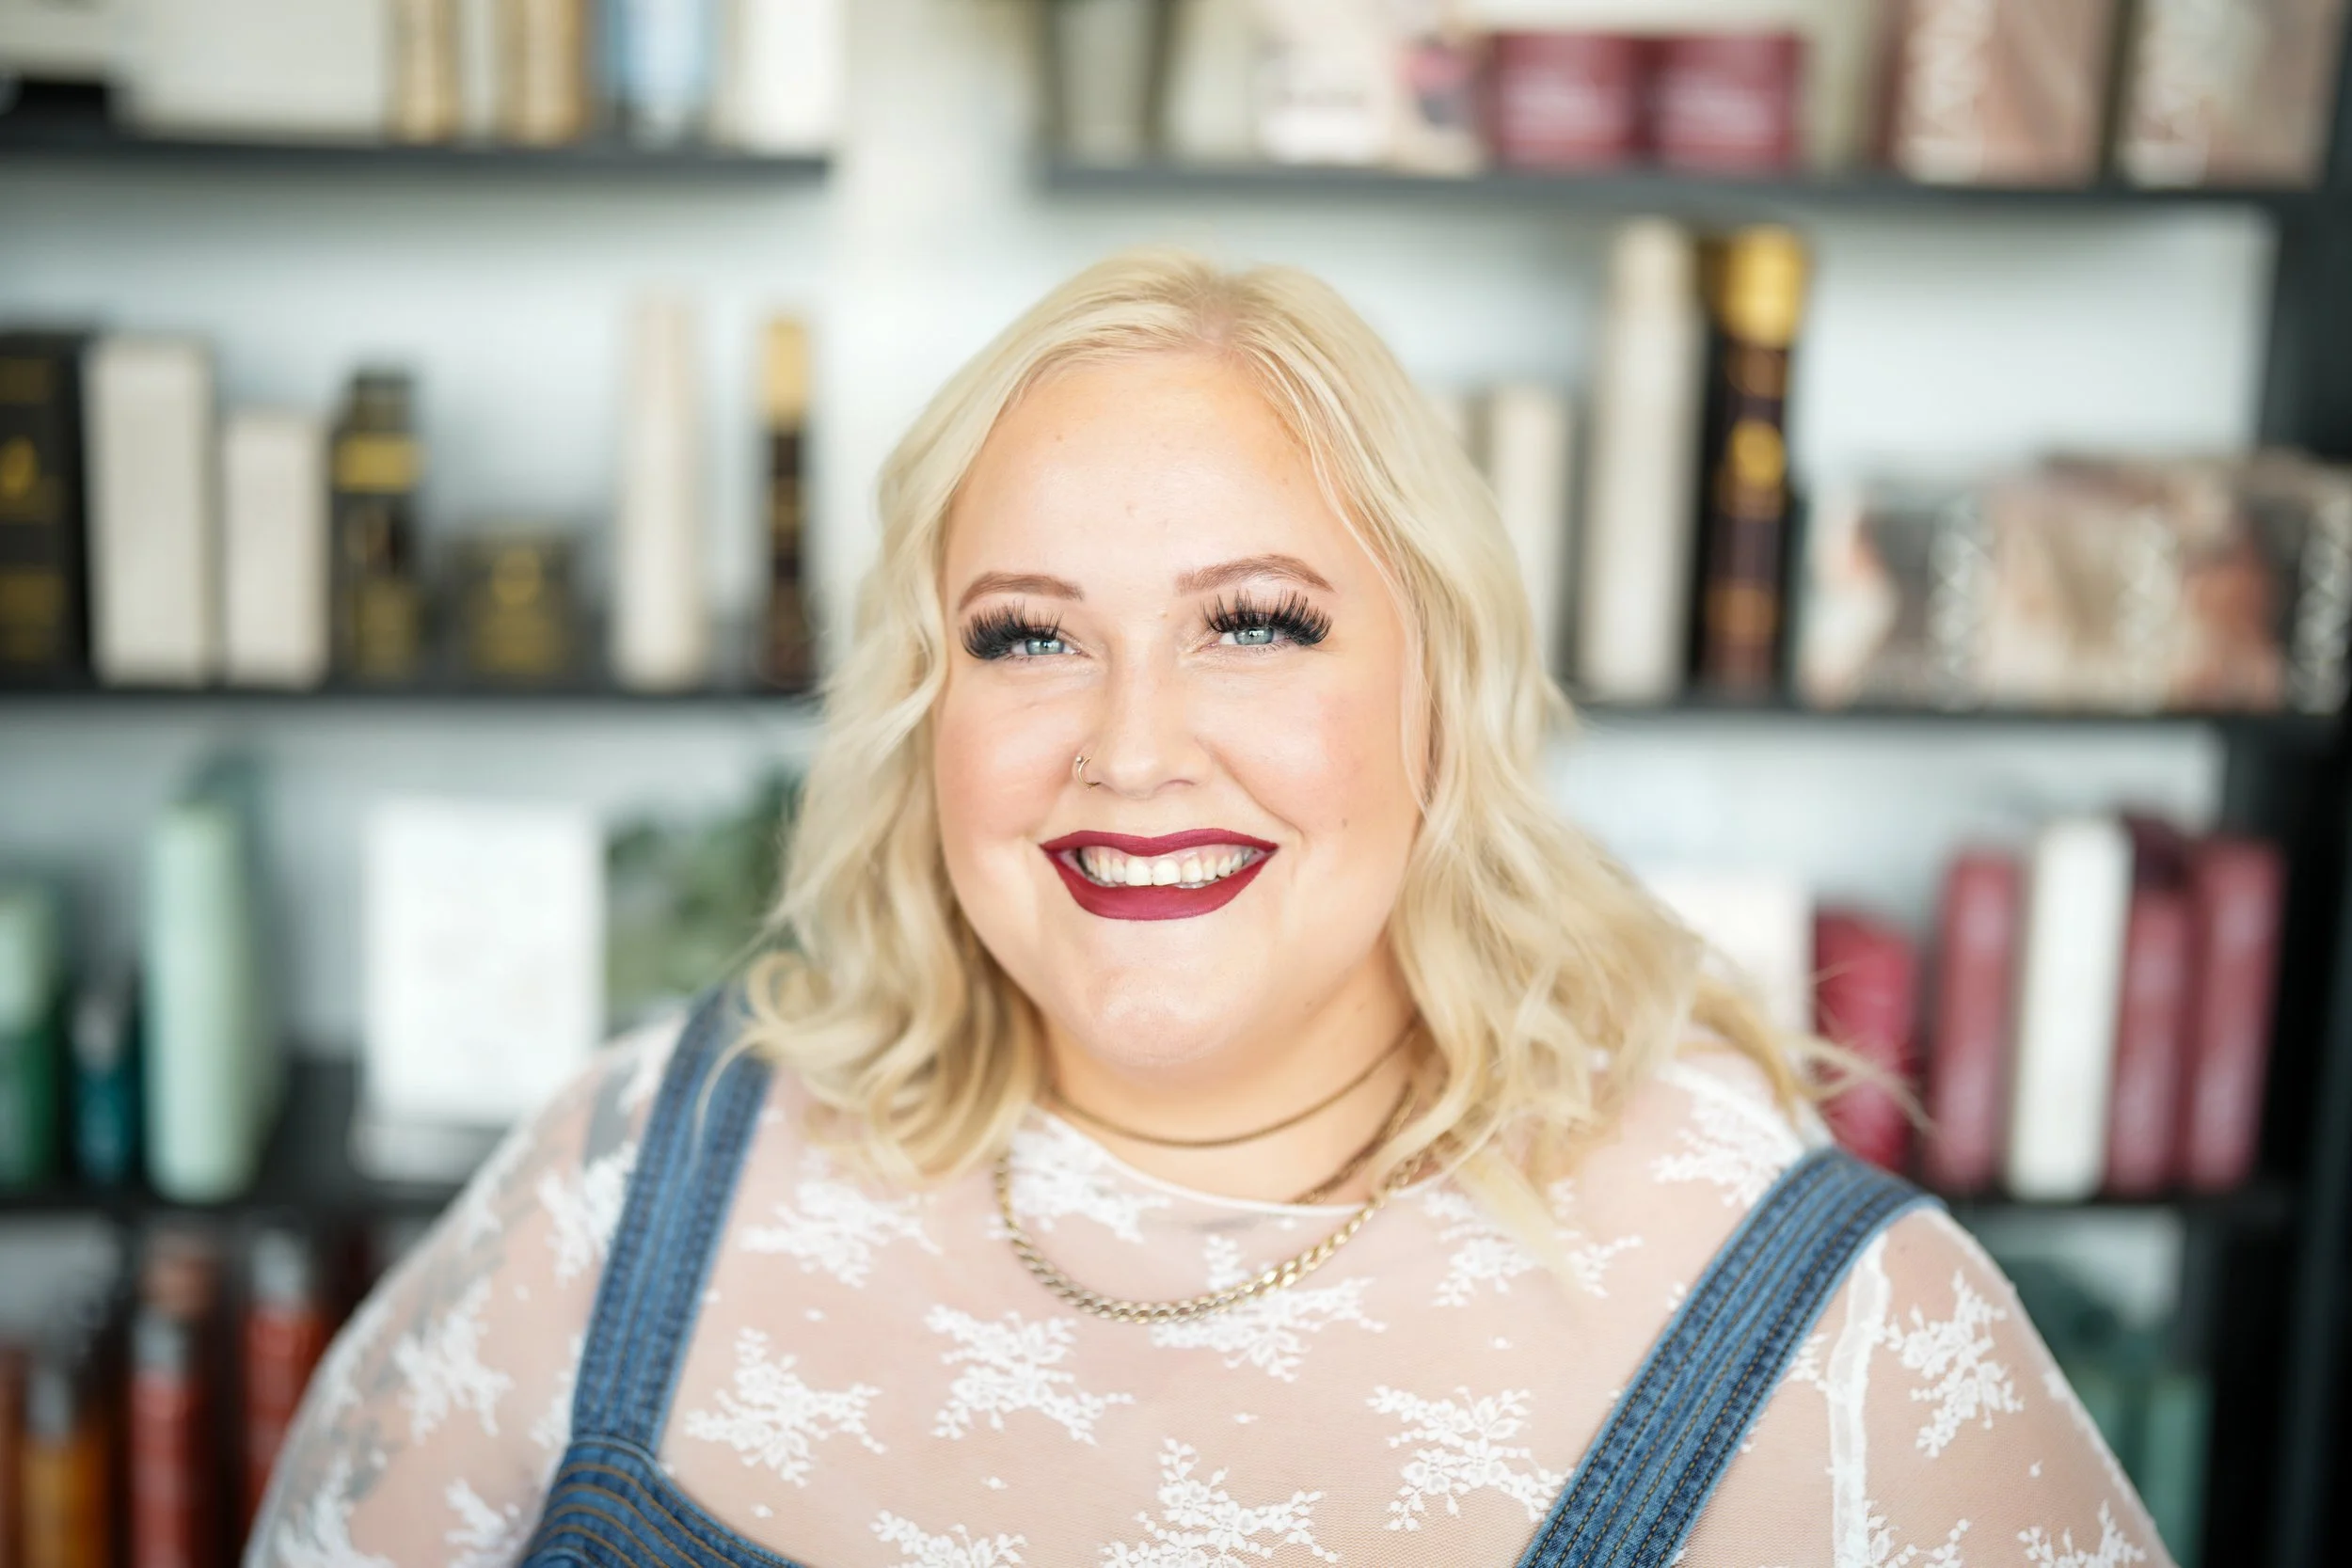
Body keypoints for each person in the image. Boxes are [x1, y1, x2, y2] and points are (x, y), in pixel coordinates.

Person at [249, 251, 2170, 1568]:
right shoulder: (628, 1170)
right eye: (1026, 636)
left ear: (1442, 692)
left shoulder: (1837, 1342)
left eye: (1254, 621)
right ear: (926, 712)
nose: (1131, 746)